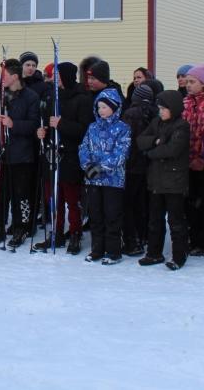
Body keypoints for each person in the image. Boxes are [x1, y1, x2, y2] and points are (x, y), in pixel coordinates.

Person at [33, 62, 92, 255]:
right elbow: (47, 122)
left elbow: (84, 129)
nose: (55, 78)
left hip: (71, 155)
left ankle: (75, 233)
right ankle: (56, 232)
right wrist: (43, 131)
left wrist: (62, 124)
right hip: (52, 154)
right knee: (54, 198)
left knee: (72, 199)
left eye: (58, 75)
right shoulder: (52, 96)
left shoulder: (82, 98)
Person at [0, 58, 41, 250]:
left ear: (15, 76)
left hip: (22, 154)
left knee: (21, 194)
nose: (1, 79)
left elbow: (34, 125)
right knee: (0, 194)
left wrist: (13, 124)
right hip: (1, 153)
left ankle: (21, 227)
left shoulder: (30, 97)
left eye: (5, 76)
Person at [137, 90, 191, 270]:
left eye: (163, 108)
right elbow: (140, 140)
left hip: (174, 181)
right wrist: (156, 141)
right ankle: (154, 253)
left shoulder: (181, 126)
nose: (160, 111)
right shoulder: (156, 123)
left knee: (176, 221)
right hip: (156, 181)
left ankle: (179, 255)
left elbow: (172, 150)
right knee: (154, 220)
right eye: (159, 108)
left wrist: (150, 152)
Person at [79, 88, 131, 264]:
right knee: (96, 215)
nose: (101, 110)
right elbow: (84, 147)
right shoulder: (92, 127)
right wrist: (87, 165)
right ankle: (97, 249)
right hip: (93, 179)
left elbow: (120, 154)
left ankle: (113, 251)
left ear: (114, 108)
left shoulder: (122, 128)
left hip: (113, 181)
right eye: (99, 107)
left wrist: (100, 167)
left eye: (105, 107)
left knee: (112, 215)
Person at [183, 63, 204, 256]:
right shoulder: (186, 103)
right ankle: (193, 237)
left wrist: (202, 157)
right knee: (190, 202)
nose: (188, 85)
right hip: (187, 160)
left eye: (192, 81)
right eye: (187, 81)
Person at [121, 82, 156, 256]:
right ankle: (143, 236)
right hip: (147, 165)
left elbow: (126, 140)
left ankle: (131, 240)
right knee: (142, 204)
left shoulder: (130, 114)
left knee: (127, 204)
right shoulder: (154, 112)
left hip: (131, 165)